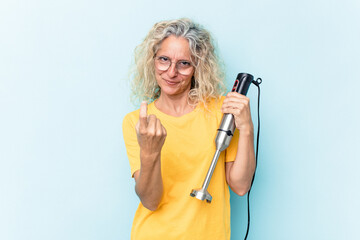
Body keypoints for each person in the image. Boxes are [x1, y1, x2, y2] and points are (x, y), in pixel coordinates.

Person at [122, 18, 255, 240]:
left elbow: (240, 186)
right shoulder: (137, 122)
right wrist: (150, 150)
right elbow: (151, 201)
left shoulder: (222, 112)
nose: (171, 72)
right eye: (163, 60)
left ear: (198, 67)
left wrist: (247, 128)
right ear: (152, 61)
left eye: (184, 63)